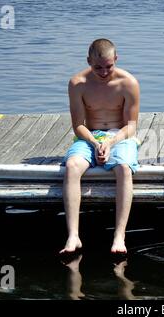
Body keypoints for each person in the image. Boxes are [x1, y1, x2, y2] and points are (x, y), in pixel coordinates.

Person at [60, 38, 140, 254]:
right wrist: (96, 143)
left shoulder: (128, 83)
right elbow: (78, 125)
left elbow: (131, 125)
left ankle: (119, 236)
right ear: (88, 61)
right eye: (97, 68)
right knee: (72, 166)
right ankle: (73, 236)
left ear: (116, 59)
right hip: (90, 135)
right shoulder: (77, 83)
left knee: (123, 168)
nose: (104, 72)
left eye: (108, 67)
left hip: (120, 135)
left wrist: (111, 142)